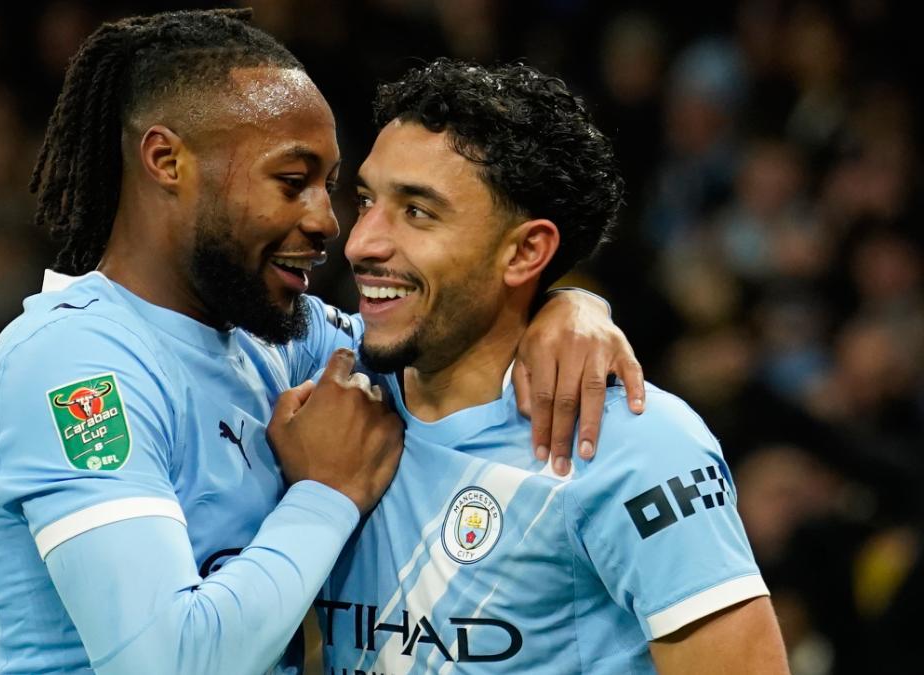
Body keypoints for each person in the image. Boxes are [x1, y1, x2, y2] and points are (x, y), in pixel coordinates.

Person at [0, 10, 643, 675]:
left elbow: (447, 346)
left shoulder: (281, 337)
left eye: (332, 187)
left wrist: (566, 305)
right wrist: (327, 492)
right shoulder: (75, 359)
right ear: (167, 160)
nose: (327, 221)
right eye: (291, 181)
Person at [313, 59, 788, 673]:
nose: (360, 242)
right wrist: (575, 301)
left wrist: (576, 300)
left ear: (527, 251)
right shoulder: (331, 381)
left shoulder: (636, 445)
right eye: (366, 200)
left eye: (418, 212)